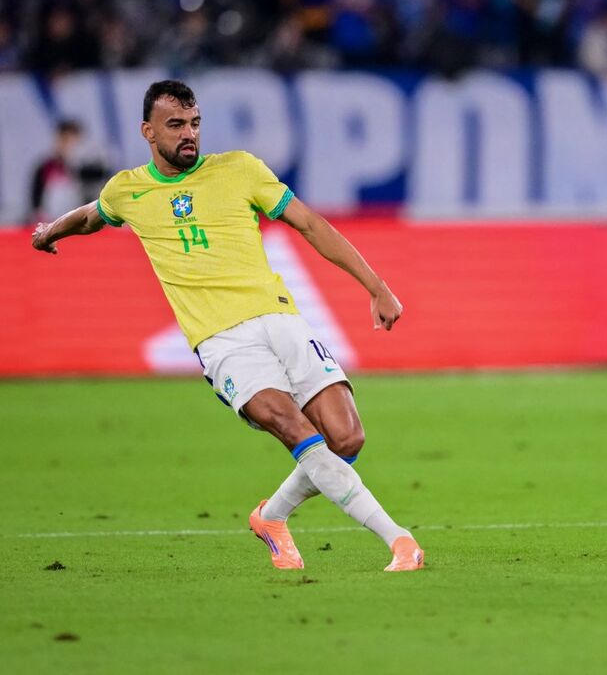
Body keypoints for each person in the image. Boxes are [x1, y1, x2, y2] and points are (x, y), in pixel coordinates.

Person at [31, 80, 424, 573]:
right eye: (176, 125)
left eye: (194, 123)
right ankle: (399, 540)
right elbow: (91, 216)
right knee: (293, 427)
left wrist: (376, 285)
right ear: (148, 131)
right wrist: (50, 232)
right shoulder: (128, 190)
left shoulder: (239, 168)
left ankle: (271, 516)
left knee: (346, 440)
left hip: (279, 317)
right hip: (222, 342)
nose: (189, 134)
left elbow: (309, 224)